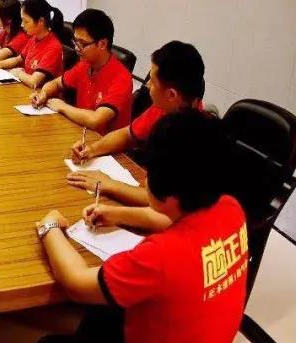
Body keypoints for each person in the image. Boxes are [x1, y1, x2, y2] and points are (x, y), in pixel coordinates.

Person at [32, 111, 247, 343]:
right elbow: (170, 218)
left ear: (163, 189)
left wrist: (49, 228)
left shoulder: (161, 256)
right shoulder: (230, 209)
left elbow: (75, 283)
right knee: (102, 315)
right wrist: (116, 214)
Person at [67, 40, 206, 217]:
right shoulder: (166, 108)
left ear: (171, 94)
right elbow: (127, 135)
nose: (147, 86)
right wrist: (91, 150)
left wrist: (108, 185)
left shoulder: (194, 137)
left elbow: (161, 203)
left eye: (152, 81)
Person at [29, 9, 132, 132]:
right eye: (75, 41)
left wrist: (63, 107)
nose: (76, 48)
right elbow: (56, 83)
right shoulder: (84, 65)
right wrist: (44, 94)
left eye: (82, 43)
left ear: (102, 44)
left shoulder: (121, 78)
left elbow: (96, 120)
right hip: (80, 132)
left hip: (102, 140)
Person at [0, 0, 66, 88]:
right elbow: (18, 59)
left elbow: (34, 82)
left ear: (41, 21)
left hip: (38, 93)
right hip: (24, 87)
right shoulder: (34, 38)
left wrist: (18, 73)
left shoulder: (53, 47)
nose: (22, 24)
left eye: (26, 21)